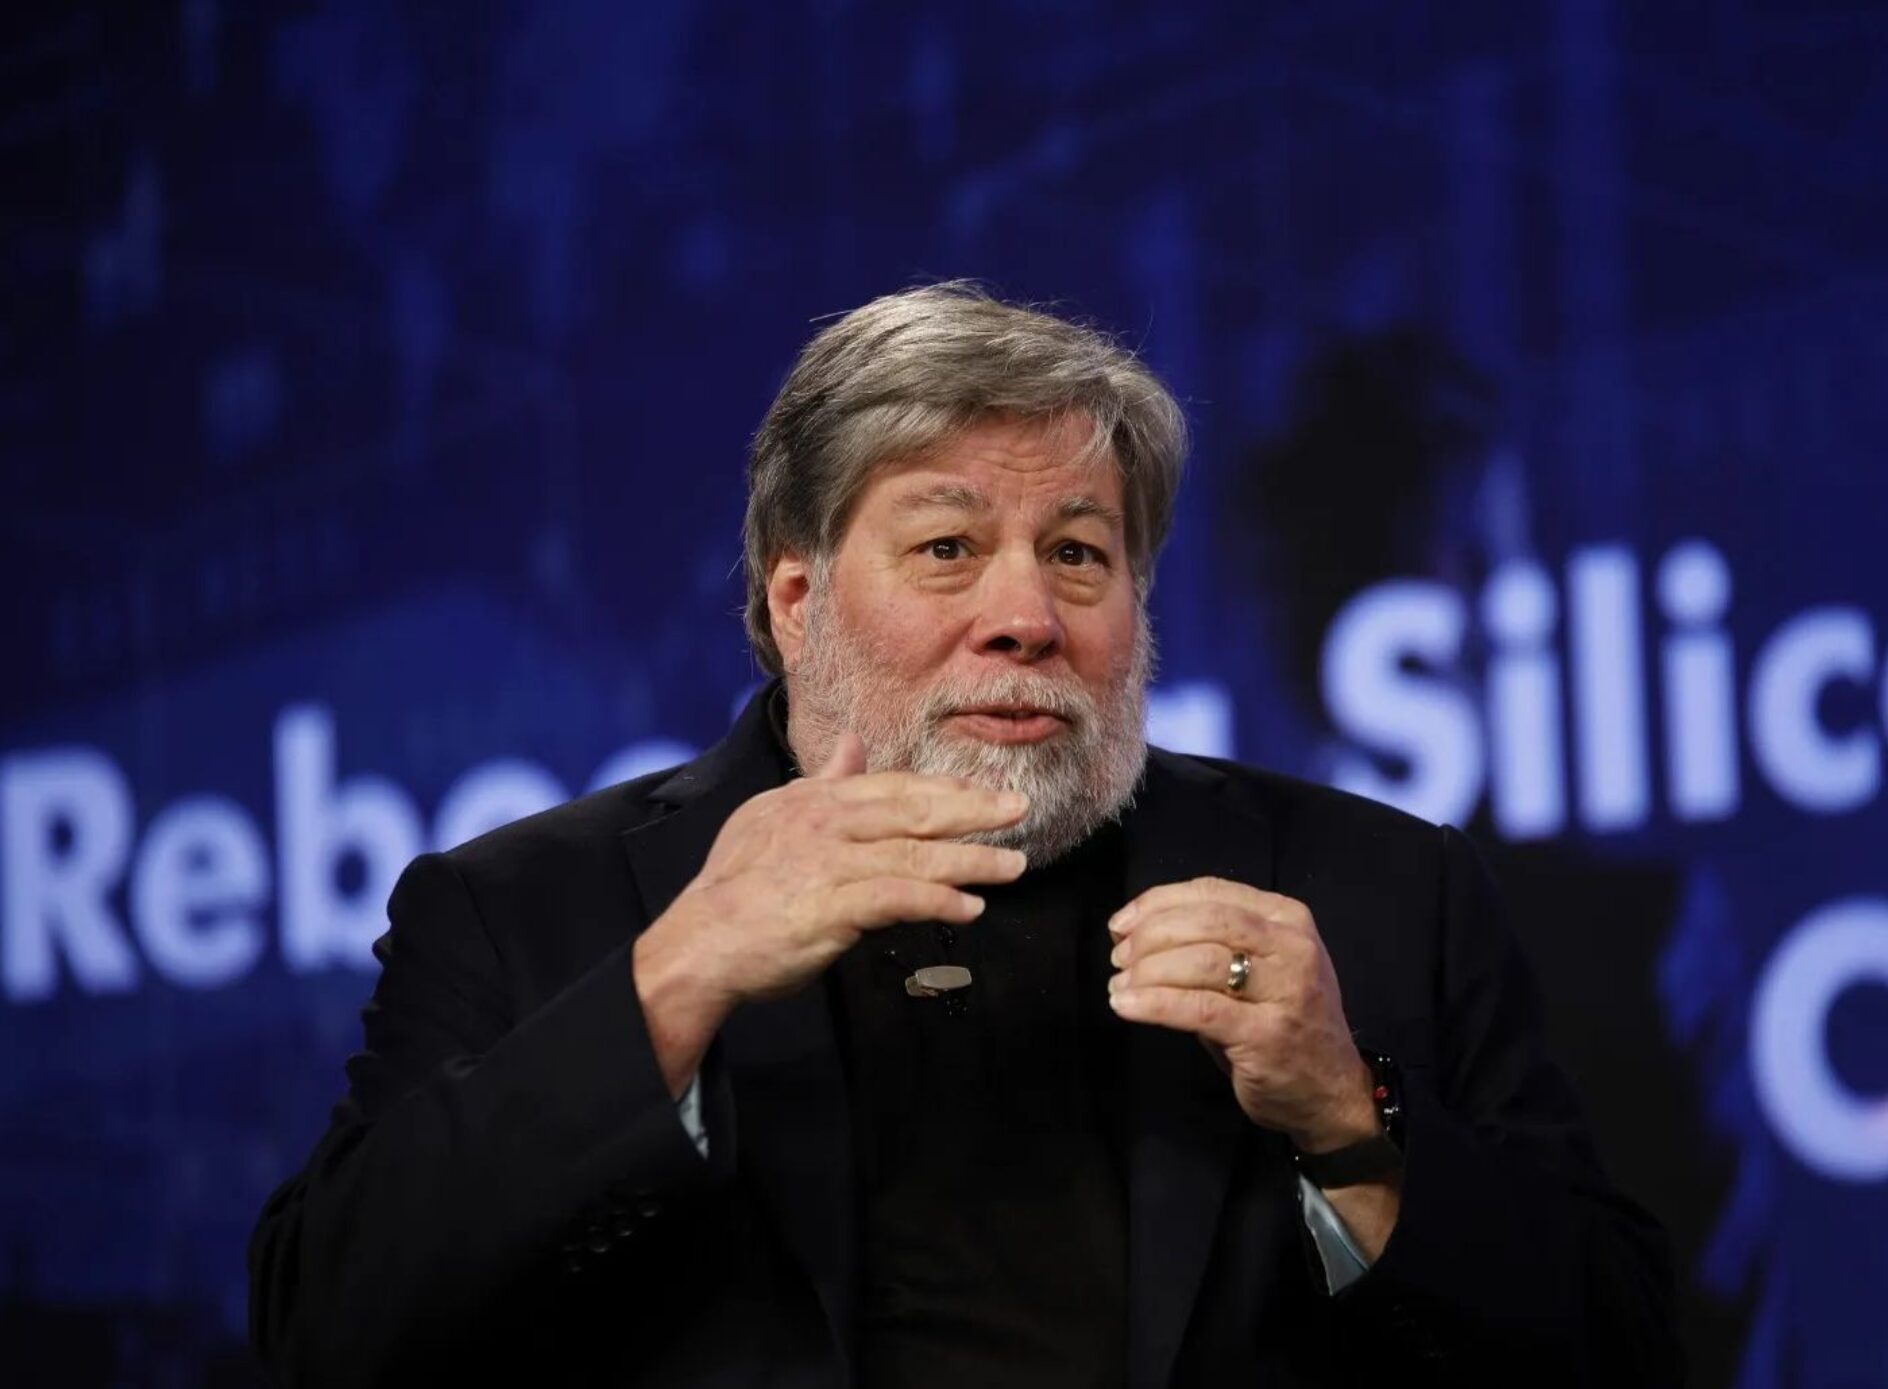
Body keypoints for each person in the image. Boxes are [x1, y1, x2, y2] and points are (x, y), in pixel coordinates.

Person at [248, 282, 1681, 1388]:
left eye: (1079, 552)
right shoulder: (529, 908)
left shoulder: (1379, 892)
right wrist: (674, 981)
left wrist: (1353, 1122)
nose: (1027, 615)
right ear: (796, 602)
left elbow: (1623, 1347)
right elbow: (328, 1330)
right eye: (947, 547)